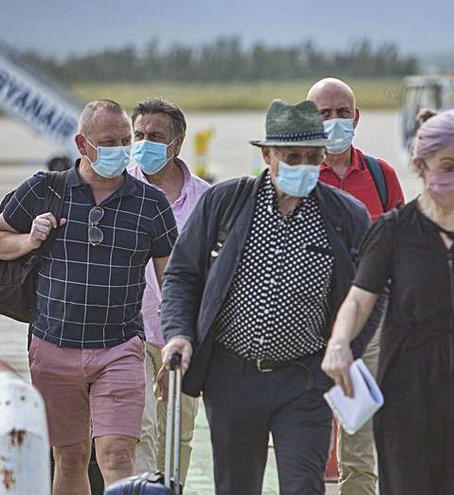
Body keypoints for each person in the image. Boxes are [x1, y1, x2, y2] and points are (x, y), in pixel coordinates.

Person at [159, 99, 380, 495]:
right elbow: (181, 274)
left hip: (305, 379)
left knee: (303, 486)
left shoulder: (347, 215)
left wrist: (347, 349)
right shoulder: (226, 202)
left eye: (313, 157)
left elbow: (373, 293)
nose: (303, 166)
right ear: (267, 154)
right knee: (236, 486)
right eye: (291, 156)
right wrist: (178, 334)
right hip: (232, 377)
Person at [321, 109, 454, 495]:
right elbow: (360, 300)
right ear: (420, 164)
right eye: (447, 167)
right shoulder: (393, 231)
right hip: (407, 394)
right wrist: (339, 343)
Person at [0, 99, 178, 494]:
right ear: (82, 144)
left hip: (120, 348)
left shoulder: (150, 203)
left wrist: (175, 340)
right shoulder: (43, 189)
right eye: (109, 141)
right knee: (70, 457)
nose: (121, 150)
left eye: (126, 140)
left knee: (117, 456)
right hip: (54, 346)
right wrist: (28, 239)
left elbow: (171, 280)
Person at [308, 77, 406, 494]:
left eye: (342, 113)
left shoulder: (381, 177)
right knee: (304, 443)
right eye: (323, 114)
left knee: (360, 444)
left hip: (368, 327)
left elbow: (403, 248)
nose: (334, 122)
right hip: (306, 327)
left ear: (357, 118)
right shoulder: (295, 174)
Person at [127, 97, 209, 482]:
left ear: (176, 143)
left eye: (155, 136)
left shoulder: (206, 199)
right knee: (137, 432)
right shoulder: (119, 190)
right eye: (139, 134)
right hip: (130, 331)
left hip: (185, 335)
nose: (144, 143)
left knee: (179, 433)